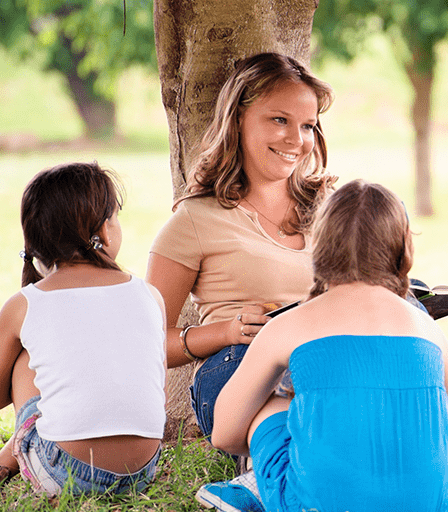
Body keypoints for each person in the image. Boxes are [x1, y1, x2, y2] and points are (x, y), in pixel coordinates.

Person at [196, 179, 448, 512]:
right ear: (404, 252)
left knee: (270, 405)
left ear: (319, 249)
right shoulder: (426, 329)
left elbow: (225, 434)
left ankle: (258, 488)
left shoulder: (289, 325)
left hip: (314, 505)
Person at [146, 52, 337, 440]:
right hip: (240, 368)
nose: (296, 140)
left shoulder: (333, 208)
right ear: (237, 119)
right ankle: (275, 464)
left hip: (324, 360)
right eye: (279, 120)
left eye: (308, 126)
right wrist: (227, 331)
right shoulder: (195, 220)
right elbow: (147, 343)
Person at [0, 162, 166, 497]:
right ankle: (3, 463)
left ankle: (2, 464)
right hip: (141, 472)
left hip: (64, 473)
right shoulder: (149, 295)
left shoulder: (23, 304)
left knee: (24, 358)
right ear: (104, 232)